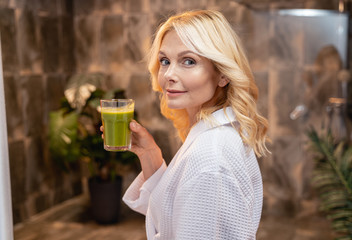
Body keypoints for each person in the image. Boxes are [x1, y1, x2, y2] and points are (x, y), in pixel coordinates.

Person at [110, 9, 269, 239]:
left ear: (222, 75)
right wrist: (150, 155)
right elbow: (173, 213)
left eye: (188, 61)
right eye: (165, 61)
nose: (168, 75)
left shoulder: (210, 156)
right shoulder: (215, 135)